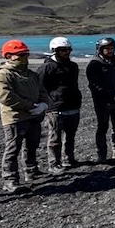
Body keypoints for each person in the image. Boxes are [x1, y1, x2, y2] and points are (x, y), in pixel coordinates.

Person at [0, 39, 50, 193]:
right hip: (15, 118)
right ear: (8, 56)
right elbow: (6, 97)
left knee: (32, 144)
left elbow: (42, 91)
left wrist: (44, 104)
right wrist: (31, 106)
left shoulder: (31, 74)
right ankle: (10, 179)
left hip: (33, 116)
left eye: (25, 54)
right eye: (20, 55)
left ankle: (31, 170)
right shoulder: (2, 75)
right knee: (13, 149)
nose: (24, 58)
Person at [38, 36, 82, 173]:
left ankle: (69, 158)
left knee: (70, 136)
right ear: (55, 50)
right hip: (55, 108)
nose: (67, 52)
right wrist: (45, 104)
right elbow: (39, 87)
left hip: (73, 105)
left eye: (69, 49)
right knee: (55, 137)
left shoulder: (73, 66)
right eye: (63, 50)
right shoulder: (46, 68)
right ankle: (54, 163)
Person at [86, 37, 115, 162]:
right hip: (102, 102)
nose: (110, 51)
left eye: (112, 48)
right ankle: (102, 154)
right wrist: (111, 94)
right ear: (100, 49)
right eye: (107, 48)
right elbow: (94, 85)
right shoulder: (94, 64)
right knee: (102, 127)